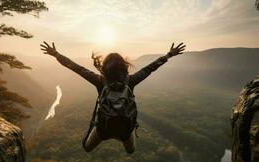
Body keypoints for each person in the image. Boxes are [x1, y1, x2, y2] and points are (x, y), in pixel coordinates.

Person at [40, 42, 185, 154]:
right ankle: (130, 130)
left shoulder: (99, 80)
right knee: (131, 150)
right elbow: (150, 68)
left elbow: (76, 67)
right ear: (124, 66)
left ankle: (114, 130)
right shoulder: (130, 80)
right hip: (125, 131)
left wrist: (56, 54)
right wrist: (169, 55)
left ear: (104, 68)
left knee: (87, 147)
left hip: (102, 129)